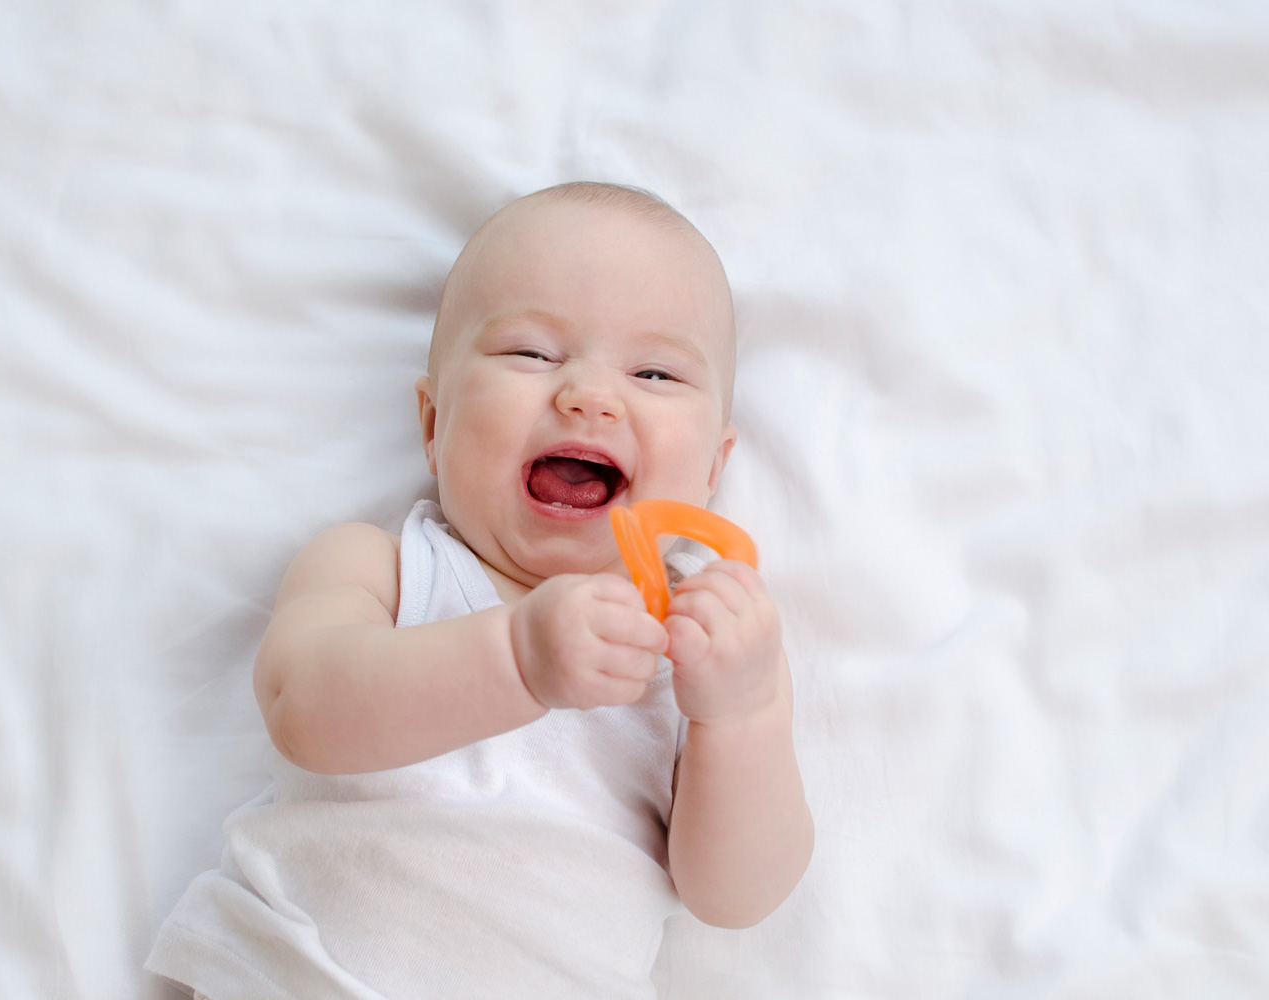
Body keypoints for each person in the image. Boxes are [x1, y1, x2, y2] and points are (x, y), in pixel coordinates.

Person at [148, 182, 813, 999]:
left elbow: (735, 896)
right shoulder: (380, 568)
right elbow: (302, 707)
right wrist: (517, 658)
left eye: (655, 371)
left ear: (713, 468)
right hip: (303, 972)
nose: (590, 395)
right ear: (433, 425)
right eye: (532, 354)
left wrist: (741, 715)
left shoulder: (706, 653)